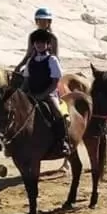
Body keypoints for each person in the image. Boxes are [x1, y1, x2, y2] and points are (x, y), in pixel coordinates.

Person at [18, 27, 69, 156]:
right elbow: (26, 81)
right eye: (37, 43)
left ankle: (63, 142)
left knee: (58, 113)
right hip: (32, 93)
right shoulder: (30, 61)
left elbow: (55, 82)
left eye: (42, 42)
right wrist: (20, 94)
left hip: (49, 94)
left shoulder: (52, 60)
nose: (39, 45)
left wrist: (43, 95)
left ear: (47, 44)